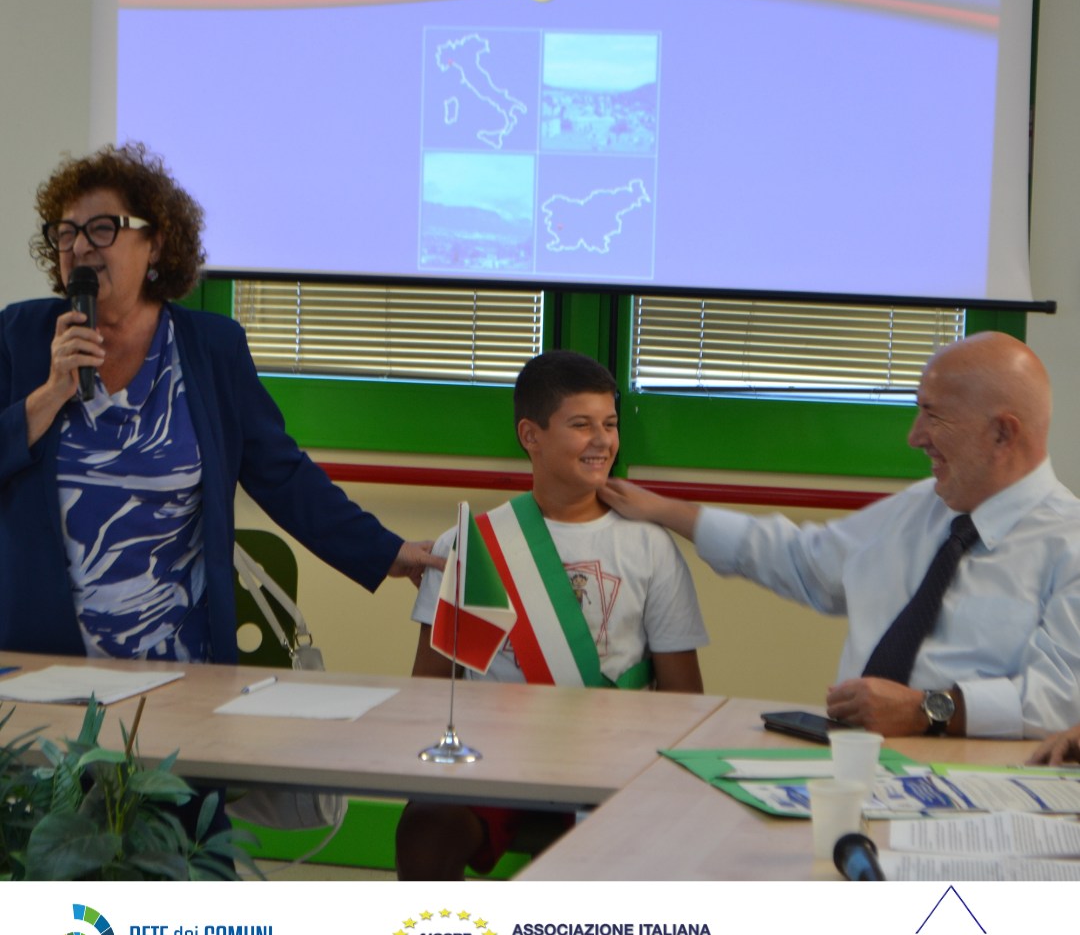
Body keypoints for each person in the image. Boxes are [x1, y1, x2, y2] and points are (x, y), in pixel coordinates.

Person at [0, 143, 441, 664]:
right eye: (66, 232)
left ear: (155, 243)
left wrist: (386, 550)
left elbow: (282, 475)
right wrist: (49, 395)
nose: (79, 246)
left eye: (102, 229)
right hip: (43, 661)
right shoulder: (20, 337)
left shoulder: (211, 349)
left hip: (180, 664)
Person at [602, 332, 1080, 740]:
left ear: (1002, 434)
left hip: (972, 784)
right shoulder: (920, 508)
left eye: (934, 416)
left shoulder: (1069, 544)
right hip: (853, 760)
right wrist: (670, 512)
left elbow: (1061, 699)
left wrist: (928, 710)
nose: (915, 436)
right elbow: (805, 562)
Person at [396, 349, 707, 879]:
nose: (602, 440)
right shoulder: (470, 543)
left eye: (610, 424)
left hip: (613, 757)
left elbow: (683, 697)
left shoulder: (649, 547)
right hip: (494, 756)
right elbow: (429, 687)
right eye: (581, 425)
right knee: (424, 832)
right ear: (530, 435)